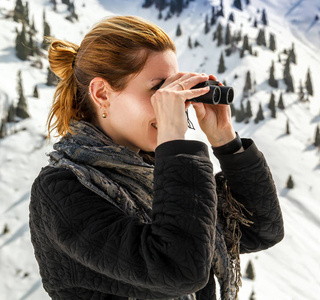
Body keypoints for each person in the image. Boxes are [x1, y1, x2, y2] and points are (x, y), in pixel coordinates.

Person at [29, 15, 284, 300]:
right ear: (102, 94)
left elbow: (259, 229)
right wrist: (175, 145)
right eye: (158, 89)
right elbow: (178, 268)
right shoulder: (62, 190)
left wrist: (225, 140)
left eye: (174, 89)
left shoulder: (155, 172)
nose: (173, 103)